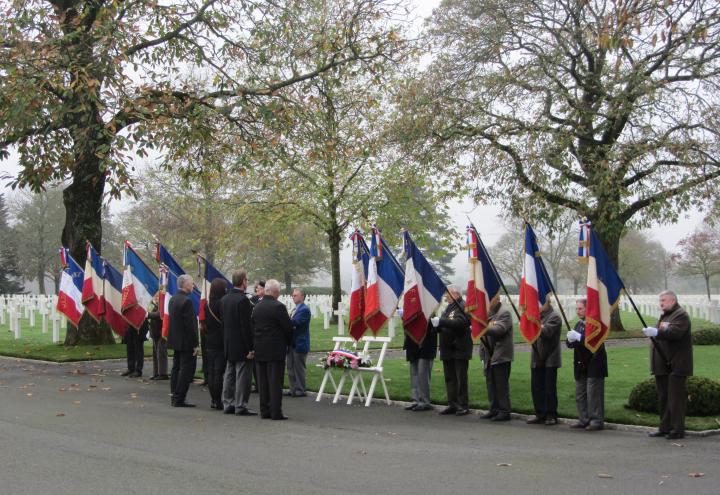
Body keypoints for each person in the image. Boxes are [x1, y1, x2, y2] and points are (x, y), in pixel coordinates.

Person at [643, 290, 693, 440]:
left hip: (676, 364)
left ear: (673, 300)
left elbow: (674, 333)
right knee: (664, 397)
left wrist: (656, 332)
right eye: (660, 301)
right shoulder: (665, 315)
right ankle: (664, 427)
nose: (661, 303)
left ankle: (677, 429)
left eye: (664, 300)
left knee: (675, 399)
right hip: (664, 364)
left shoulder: (680, 315)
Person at [251, 279, 293, 420]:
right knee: (275, 382)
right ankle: (275, 411)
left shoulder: (257, 307)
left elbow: (253, 327)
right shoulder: (278, 307)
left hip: (260, 348)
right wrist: (289, 342)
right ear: (276, 292)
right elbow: (288, 328)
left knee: (262, 382)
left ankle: (264, 410)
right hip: (275, 349)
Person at [566, 298, 607, 431]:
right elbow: (571, 344)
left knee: (593, 394)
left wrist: (578, 337)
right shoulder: (579, 324)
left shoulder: (596, 325)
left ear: (587, 309)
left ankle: (596, 420)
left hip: (594, 363)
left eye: (580, 308)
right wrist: (570, 340)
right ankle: (583, 419)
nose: (578, 311)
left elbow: (592, 343)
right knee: (580, 393)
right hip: (581, 363)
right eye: (576, 309)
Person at [221, 270, 257, 416]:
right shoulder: (243, 300)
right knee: (242, 376)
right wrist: (250, 347)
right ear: (243, 281)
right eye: (246, 280)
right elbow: (246, 326)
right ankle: (240, 405)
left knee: (229, 374)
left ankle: (228, 402)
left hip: (229, 342)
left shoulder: (225, 299)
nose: (247, 283)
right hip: (242, 344)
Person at [435, 286, 472, 416]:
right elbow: (445, 324)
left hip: (459, 348)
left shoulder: (463, 306)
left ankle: (463, 405)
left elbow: (461, 322)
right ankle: (452, 404)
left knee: (460, 378)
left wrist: (441, 321)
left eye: (448, 294)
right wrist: (436, 326)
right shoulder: (448, 308)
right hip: (447, 348)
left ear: (456, 294)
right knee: (450, 378)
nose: (446, 296)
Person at [527, 301, 562, 426]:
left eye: (539, 303)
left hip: (550, 358)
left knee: (549, 388)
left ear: (547, 303)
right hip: (537, 357)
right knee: (536, 387)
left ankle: (551, 414)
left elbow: (547, 333)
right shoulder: (536, 317)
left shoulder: (554, 317)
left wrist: (533, 324)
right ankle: (540, 413)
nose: (537, 306)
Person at [478, 299, 514, 421]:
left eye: (490, 298)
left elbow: (499, 330)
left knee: (501, 384)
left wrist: (481, 327)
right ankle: (494, 409)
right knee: (490, 383)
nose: (487, 301)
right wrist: (482, 354)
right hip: (489, 355)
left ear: (497, 299)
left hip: (501, 355)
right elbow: (483, 337)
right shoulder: (487, 313)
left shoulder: (504, 313)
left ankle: (504, 411)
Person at [167, 274, 199, 408]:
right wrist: (195, 344)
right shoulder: (187, 301)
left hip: (176, 340)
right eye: (192, 283)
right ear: (185, 284)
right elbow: (191, 325)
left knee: (176, 368)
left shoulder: (173, 299)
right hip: (186, 342)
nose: (193, 285)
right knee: (186, 371)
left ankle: (174, 394)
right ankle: (180, 398)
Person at [203, 278, 228, 410]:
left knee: (212, 372)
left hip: (210, 339)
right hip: (220, 340)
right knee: (218, 372)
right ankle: (218, 400)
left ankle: (214, 399)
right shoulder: (222, 304)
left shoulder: (207, 304)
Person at [403, 317, 437, 412]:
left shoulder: (429, 305)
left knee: (423, 373)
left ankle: (424, 401)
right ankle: (416, 400)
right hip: (412, 342)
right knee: (414, 373)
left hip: (426, 343)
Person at [286, 288, 311, 397]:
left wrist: (283, 319)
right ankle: (293, 389)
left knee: (299, 368)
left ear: (302, 297)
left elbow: (296, 322)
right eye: (293, 295)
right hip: (291, 342)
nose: (293, 296)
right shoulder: (295, 309)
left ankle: (300, 389)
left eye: (295, 295)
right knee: (290, 367)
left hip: (299, 343)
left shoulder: (304, 310)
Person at [147, 294, 168, 380]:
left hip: (161, 333)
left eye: (157, 297)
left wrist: (147, 314)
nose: (156, 298)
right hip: (155, 333)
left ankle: (163, 373)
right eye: (155, 297)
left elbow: (159, 314)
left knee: (161, 354)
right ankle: (156, 373)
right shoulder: (155, 306)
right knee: (155, 354)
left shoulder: (163, 306)